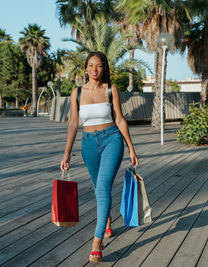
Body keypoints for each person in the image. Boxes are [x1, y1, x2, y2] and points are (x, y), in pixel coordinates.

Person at [60, 51, 139, 262]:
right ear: (85, 68)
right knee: (98, 187)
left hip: (112, 139)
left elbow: (120, 120)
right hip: (88, 145)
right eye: (91, 65)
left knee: (103, 186)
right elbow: (73, 124)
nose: (95, 69)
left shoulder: (111, 90)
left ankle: (97, 241)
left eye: (99, 65)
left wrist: (131, 148)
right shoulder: (76, 93)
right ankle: (108, 219)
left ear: (104, 68)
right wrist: (67, 153)